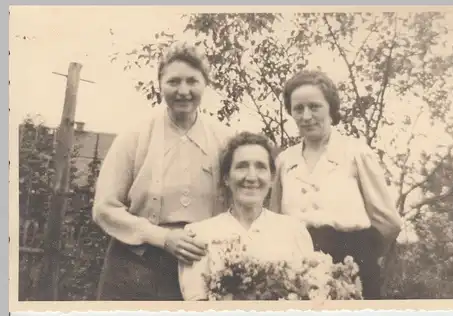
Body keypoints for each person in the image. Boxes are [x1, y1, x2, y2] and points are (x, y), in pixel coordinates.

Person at [92, 42, 233, 301]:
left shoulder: (223, 140)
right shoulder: (134, 136)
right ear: (160, 84)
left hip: (200, 263)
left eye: (193, 81)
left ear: (206, 84)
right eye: (173, 82)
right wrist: (163, 237)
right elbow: (104, 208)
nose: (183, 91)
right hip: (135, 263)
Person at [270, 69, 403, 300]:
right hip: (297, 270)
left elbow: (388, 222)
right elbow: (273, 219)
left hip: (352, 266)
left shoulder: (356, 153)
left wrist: (363, 257)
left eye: (314, 106)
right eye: (298, 109)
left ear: (331, 108)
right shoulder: (284, 162)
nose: (306, 115)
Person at [178, 132, 314, 301]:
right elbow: (195, 303)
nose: (251, 177)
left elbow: (309, 299)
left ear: (272, 178)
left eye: (260, 167)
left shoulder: (294, 232)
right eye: (242, 166)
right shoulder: (200, 234)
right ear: (226, 178)